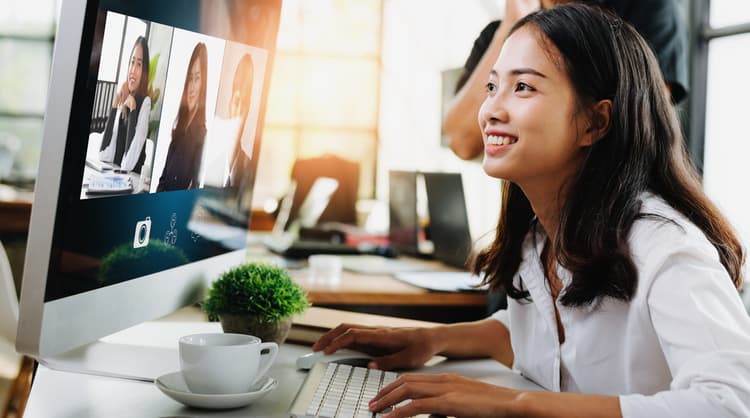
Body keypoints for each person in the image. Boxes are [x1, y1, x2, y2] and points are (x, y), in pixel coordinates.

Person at [313, 4, 750, 417]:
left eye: (523, 87)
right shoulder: (539, 238)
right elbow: (539, 339)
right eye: (492, 86)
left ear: (595, 123)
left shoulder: (665, 247)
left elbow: (730, 402)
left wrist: (515, 404)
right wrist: (432, 339)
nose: (490, 111)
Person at [444, 0, 688, 160]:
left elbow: (644, 131)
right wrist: (512, 25)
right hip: (538, 218)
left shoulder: (642, 8)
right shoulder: (500, 35)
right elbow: (462, 141)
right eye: (492, 87)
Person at [157, 42, 208, 192]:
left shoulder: (201, 134)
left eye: (197, 78)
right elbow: (163, 178)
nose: (192, 86)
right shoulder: (179, 124)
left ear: (203, 84)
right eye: (190, 78)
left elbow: (193, 187)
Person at [99, 36, 151, 173]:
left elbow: (128, 164)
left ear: (144, 71)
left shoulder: (145, 103)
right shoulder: (123, 97)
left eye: (139, 64)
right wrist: (116, 103)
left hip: (130, 181)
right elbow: (104, 154)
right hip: (112, 175)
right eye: (132, 62)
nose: (133, 70)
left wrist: (133, 109)